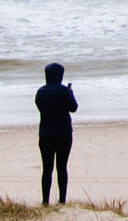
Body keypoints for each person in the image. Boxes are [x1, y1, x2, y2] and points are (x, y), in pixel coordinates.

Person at [35, 62, 79, 206]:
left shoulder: (41, 91)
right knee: (62, 167)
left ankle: (45, 201)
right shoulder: (63, 91)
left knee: (46, 169)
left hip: (45, 134)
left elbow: (40, 106)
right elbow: (73, 108)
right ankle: (62, 200)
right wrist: (70, 93)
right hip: (63, 133)